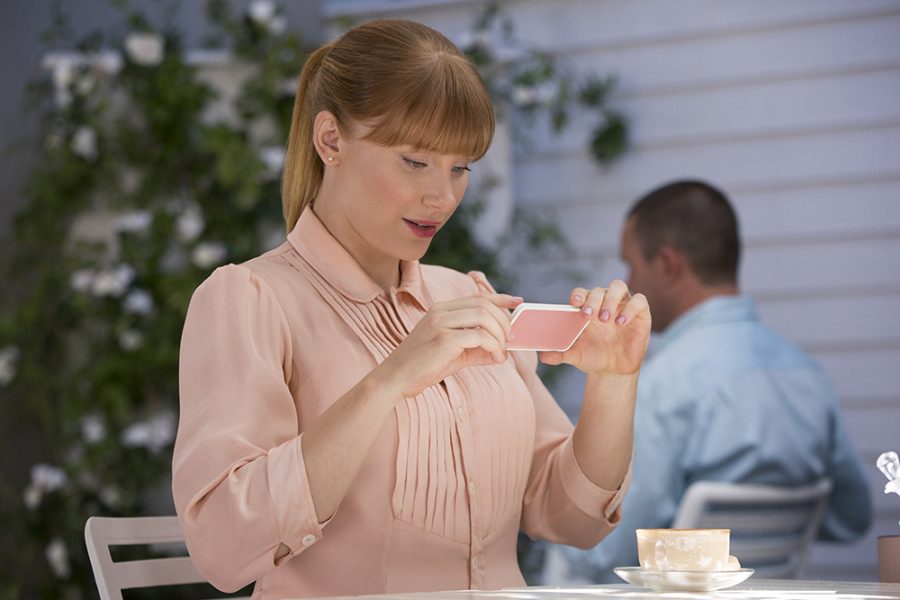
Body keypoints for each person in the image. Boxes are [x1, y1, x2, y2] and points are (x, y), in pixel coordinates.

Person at [171, 19, 652, 599]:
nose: (442, 197)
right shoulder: (250, 300)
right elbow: (223, 548)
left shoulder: (466, 298)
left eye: (461, 168)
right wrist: (389, 380)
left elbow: (569, 518)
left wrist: (613, 383)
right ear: (330, 141)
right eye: (415, 161)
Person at [545, 180, 873, 584]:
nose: (627, 281)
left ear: (668, 265)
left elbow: (599, 546)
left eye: (631, 264)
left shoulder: (660, 382)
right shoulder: (808, 376)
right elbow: (853, 516)